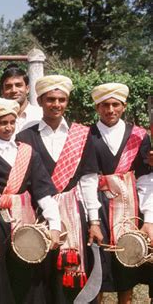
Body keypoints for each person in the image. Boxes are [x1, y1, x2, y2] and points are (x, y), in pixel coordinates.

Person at [0, 98, 61, 304]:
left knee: (29, 283)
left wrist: (55, 225)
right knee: (0, 284)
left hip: (26, 227)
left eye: (11, 122)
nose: (8, 127)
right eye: (2, 123)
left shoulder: (28, 153)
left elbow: (43, 193)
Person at [17, 75, 103, 303]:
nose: (56, 104)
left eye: (62, 99)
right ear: (40, 100)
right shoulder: (24, 137)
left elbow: (88, 180)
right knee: (40, 277)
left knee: (70, 278)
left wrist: (94, 221)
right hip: (37, 215)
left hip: (74, 216)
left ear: (67, 102)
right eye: (51, 99)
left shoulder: (82, 136)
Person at [89, 83, 153, 304]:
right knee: (99, 263)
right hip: (99, 207)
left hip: (130, 206)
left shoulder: (138, 136)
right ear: (97, 107)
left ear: (124, 106)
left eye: (115, 104)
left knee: (128, 264)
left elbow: (146, 177)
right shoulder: (87, 134)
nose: (110, 110)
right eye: (104, 105)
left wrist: (149, 216)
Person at [0, 64, 42, 133]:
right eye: (8, 86)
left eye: (18, 85)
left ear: (27, 89)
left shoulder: (41, 115)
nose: (14, 90)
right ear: (2, 92)